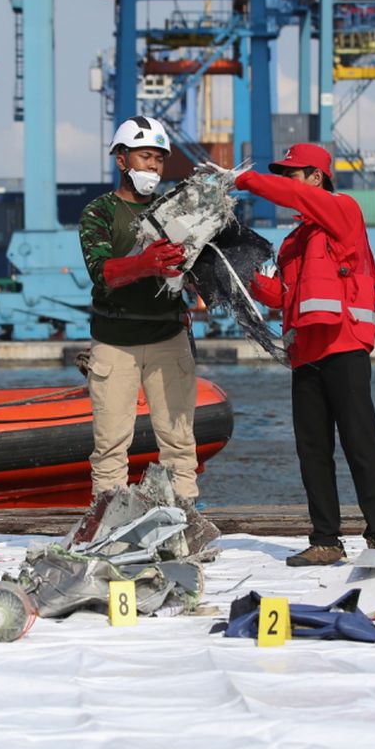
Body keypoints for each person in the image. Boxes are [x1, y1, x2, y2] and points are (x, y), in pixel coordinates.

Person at [238, 143, 375, 565]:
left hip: (344, 348)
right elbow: (284, 295)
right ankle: (326, 540)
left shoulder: (343, 211)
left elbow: (299, 198)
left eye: (292, 173)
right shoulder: (295, 241)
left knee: (361, 445)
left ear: (316, 176)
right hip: (306, 355)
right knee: (313, 451)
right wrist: (240, 275)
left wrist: (244, 180)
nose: (288, 182)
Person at [77, 115, 217, 550]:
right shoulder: (100, 212)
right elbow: (101, 273)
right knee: (110, 444)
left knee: (178, 440)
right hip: (113, 343)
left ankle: (184, 525)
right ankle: (110, 526)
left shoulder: (177, 210)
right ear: (122, 160)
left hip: (168, 338)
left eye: (159, 159)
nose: (153, 167)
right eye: (145, 156)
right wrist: (147, 262)